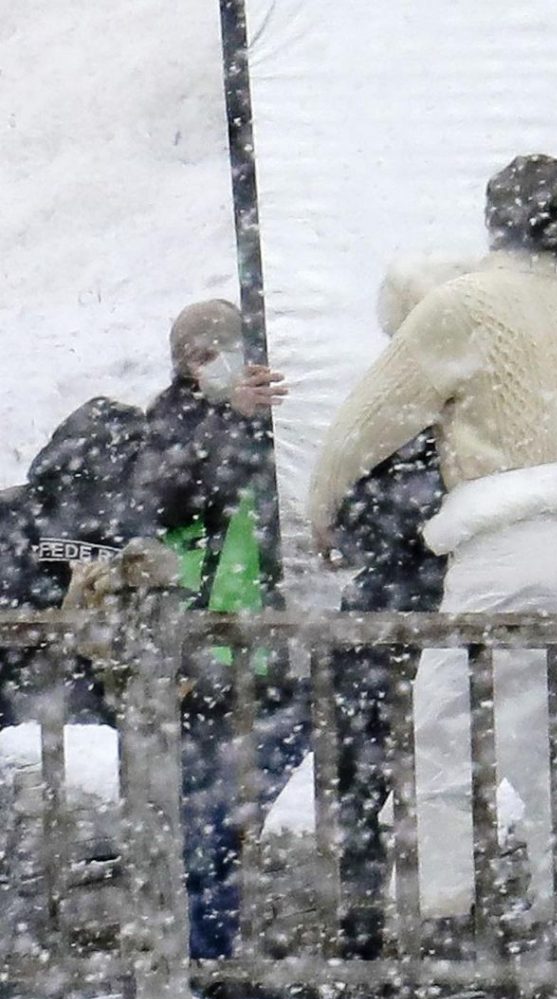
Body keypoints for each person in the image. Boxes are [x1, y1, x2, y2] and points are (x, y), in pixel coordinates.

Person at [309, 155, 557, 936]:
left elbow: (370, 416)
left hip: (499, 540)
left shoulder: (463, 306)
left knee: (444, 728)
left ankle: (446, 907)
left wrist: (323, 503)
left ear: (494, 216)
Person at [132, 298, 298, 960]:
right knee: (208, 820)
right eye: (199, 358)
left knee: (229, 813)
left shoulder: (279, 416)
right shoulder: (170, 423)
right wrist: (231, 417)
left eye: (222, 350)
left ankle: (215, 951)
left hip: (275, 649)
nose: (215, 366)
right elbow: (169, 496)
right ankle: (206, 958)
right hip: (204, 655)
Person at [327, 257, 472, 958]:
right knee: (369, 779)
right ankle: (368, 930)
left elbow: (355, 520)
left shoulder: (466, 410)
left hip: (434, 613)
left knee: (438, 775)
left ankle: (426, 927)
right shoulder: (395, 412)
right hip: (408, 616)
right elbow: (353, 522)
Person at [0, 397, 148, 726]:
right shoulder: (16, 511)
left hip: (102, 698)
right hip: (26, 692)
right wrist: (65, 612)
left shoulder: (137, 525)